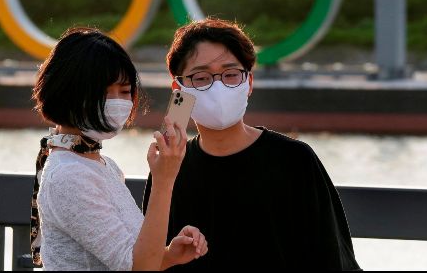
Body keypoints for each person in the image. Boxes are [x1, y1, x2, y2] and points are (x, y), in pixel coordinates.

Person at [143, 18, 360, 270]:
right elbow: (148, 261)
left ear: (249, 83)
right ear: (178, 89)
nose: (218, 86)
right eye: (201, 77)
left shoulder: (294, 160)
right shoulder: (168, 168)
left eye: (231, 75)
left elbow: (333, 258)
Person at [31, 27, 208, 271]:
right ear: (67, 91)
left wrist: (169, 255)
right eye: (102, 91)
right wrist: (164, 180)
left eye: (124, 91)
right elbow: (138, 267)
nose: (116, 101)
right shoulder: (69, 176)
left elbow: (131, 257)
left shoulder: (103, 165)